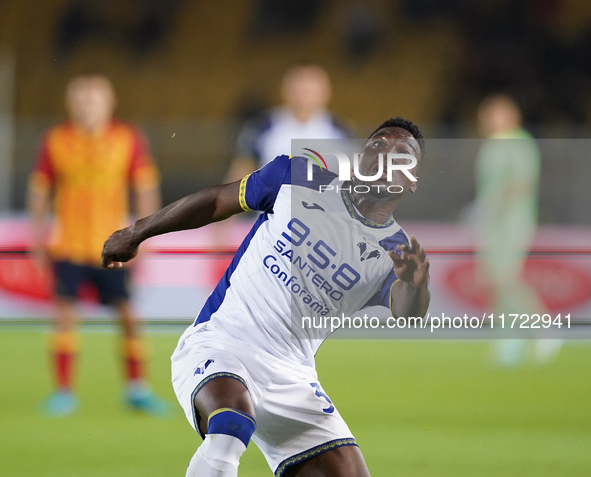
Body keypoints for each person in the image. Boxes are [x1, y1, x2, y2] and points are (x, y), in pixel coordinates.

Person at [102, 117, 430, 476]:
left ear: (412, 181)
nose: (387, 157)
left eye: (403, 155)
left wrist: (414, 285)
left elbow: (407, 311)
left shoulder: (397, 250)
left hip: (293, 377)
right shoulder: (298, 177)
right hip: (222, 342)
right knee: (231, 429)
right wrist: (137, 231)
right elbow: (215, 201)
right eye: (379, 145)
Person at [28, 74, 168, 416]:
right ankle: (64, 392)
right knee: (63, 316)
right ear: (70, 103)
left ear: (110, 103)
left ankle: (137, 389)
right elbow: (40, 189)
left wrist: (144, 234)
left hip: (113, 244)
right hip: (69, 245)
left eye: (94, 98)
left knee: (128, 316)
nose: (87, 104)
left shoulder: (127, 138)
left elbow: (145, 188)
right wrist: (37, 237)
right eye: (81, 98)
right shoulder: (56, 139)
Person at [475, 94, 562, 366]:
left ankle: (545, 329)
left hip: (512, 220)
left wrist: (498, 207)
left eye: (497, 113)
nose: (490, 119)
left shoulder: (519, 143)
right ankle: (509, 340)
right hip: (493, 221)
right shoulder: (492, 145)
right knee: (496, 281)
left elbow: (521, 181)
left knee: (506, 278)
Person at [226, 64, 350, 182]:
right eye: (300, 89)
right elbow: (240, 173)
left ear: (326, 92)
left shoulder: (340, 131)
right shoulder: (262, 126)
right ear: (285, 90)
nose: (304, 97)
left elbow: (348, 181)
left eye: (310, 90)